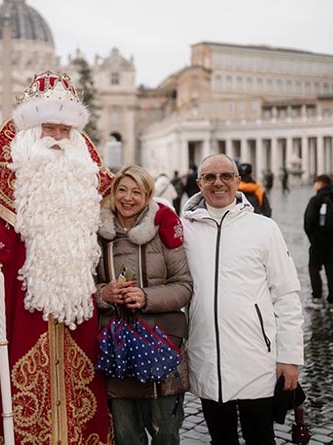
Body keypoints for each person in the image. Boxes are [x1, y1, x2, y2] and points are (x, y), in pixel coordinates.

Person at [0, 71, 113, 445]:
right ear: (29, 130)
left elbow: (131, 215)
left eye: (64, 130)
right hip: (14, 313)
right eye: (49, 128)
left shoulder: (90, 182)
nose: (57, 139)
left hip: (79, 316)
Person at [182, 153, 304, 445]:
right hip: (207, 357)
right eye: (210, 177)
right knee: (221, 440)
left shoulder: (264, 229)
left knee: (260, 438)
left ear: (238, 181)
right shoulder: (183, 229)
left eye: (226, 176)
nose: (218, 183)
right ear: (199, 183)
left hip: (256, 360)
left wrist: (290, 357)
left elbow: (286, 294)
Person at [95, 164, 192, 445]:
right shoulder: (98, 236)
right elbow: (84, 288)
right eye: (122, 190)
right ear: (113, 193)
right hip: (117, 348)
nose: (128, 198)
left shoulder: (164, 231)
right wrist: (104, 293)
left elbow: (184, 286)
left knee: (166, 432)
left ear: (148, 195)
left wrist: (146, 297)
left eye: (137, 192)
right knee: (126, 435)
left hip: (161, 343)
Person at [304, 174, 333, 310]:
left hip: (318, 240)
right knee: (331, 268)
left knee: (314, 268)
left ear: (319, 184)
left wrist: (313, 239)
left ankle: (317, 297)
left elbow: (308, 222)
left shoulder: (315, 200)